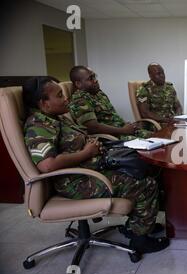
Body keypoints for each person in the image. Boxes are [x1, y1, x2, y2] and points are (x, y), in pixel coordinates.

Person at [23, 76, 170, 254]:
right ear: (44, 104)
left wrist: (92, 146)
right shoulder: (38, 126)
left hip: (90, 168)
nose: (66, 98)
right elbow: (47, 165)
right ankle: (140, 239)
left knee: (145, 167)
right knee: (144, 184)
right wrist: (87, 152)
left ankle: (138, 225)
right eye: (60, 95)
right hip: (76, 180)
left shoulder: (57, 118)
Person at [68, 66, 154, 140]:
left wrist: (127, 125)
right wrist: (123, 130)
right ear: (78, 84)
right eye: (90, 78)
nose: (95, 80)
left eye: (94, 77)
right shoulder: (79, 100)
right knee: (151, 145)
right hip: (111, 138)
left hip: (122, 131)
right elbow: (93, 127)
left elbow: (111, 116)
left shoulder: (99, 94)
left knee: (157, 137)